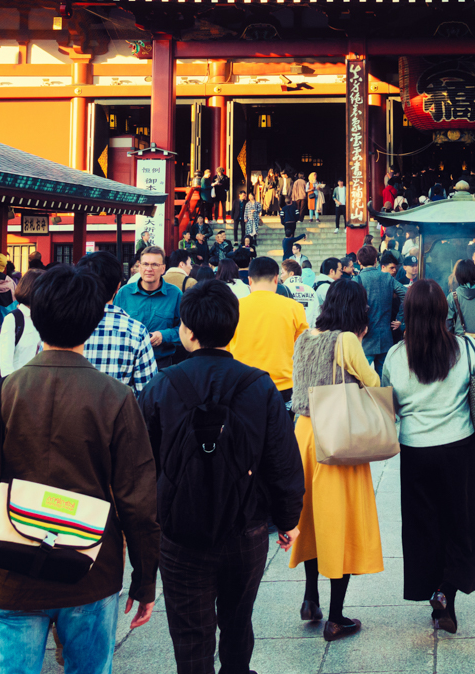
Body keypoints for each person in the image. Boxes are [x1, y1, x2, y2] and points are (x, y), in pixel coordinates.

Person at [0, 262, 160, 674]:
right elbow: (137, 500)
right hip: (89, 567)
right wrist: (144, 578)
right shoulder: (116, 398)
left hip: (8, 566)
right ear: (92, 322)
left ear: (34, 314)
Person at [138, 280, 303, 674]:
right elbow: (281, 459)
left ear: (187, 331)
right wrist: (288, 520)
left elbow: (143, 462)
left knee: (190, 632)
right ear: (233, 328)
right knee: (237, 619)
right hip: (245, 527)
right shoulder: (259, 385)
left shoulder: (163, 385)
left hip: (179, 532)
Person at [384, 280, 475, 634]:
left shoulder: (396, 356)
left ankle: (430, 586)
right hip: (458, 449)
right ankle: (447, 591)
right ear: (443, 312)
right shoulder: (464, 349)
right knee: (460, 523)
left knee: (423, 525)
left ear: (409, 314)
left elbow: (389, 402)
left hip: (415, 451)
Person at [288, 278, 383, 642]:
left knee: (310, 516)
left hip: (304, 432)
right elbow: (372, 381)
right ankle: (336, 616)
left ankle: (311, 598)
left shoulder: (305, 337)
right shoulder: (346, 340)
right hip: (337, 435)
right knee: (338, 519)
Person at [229, 256, 309, 404]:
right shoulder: (294, 307)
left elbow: (226, 349)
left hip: (242, 385)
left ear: (250, 280)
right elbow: (303, 347)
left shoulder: (234, 308)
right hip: (283, 387)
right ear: (276, 279)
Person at [76, 251, 159, 392]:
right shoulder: (136, 332)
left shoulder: (60, 325)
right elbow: (148, 393)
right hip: (120, 412)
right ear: (118, 286)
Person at [116, 245, 184, 369]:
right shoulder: (123, 293)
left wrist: (164, 335)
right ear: (139, 267)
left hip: (162, 364)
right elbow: (114, 326)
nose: (149, 269)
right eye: (145, 264)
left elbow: (185, 328)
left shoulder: (175, 294)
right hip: (129, 363)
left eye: (154, 265)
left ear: (163, 268)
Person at [356, 246, 406, 379]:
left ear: (359, 262)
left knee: (362, 377)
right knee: (385, 377)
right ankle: (383, 400)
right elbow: (406, 294)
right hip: (385, 335)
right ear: (376, 261)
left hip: (365, 336)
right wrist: (400, 317)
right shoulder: (387, 278)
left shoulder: (358, 280)